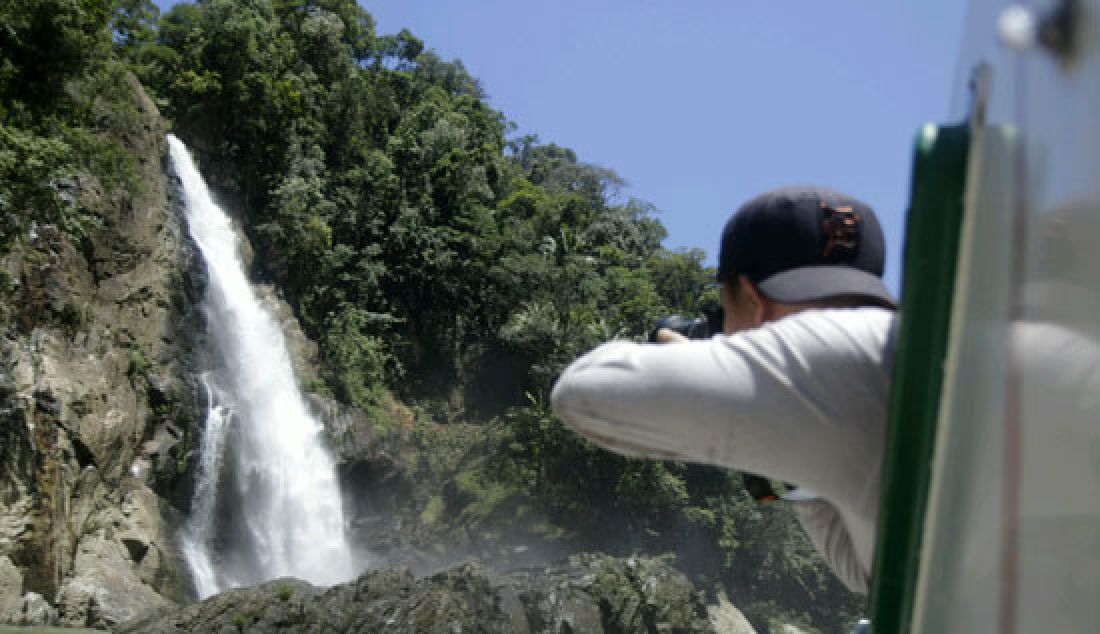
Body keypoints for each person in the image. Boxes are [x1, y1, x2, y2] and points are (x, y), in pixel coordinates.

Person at [551, 185, 897, 594]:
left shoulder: (825, 360)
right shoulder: (901, 353)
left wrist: (710, 352)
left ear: (753, 300)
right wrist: (788, 455)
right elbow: (865, 574)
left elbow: (581, 392)